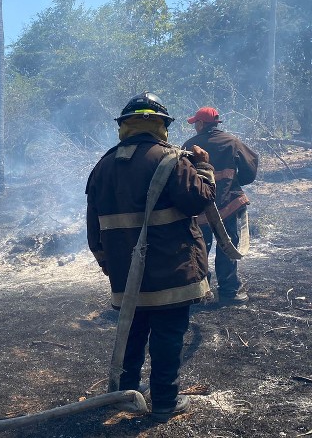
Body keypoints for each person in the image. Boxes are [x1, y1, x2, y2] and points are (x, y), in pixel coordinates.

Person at [86, 92, 216, 422]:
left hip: (126, 276)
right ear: (160, 125)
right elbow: (199, 201)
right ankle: (164, 403)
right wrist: (203, 165)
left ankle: (126, 395)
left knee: (131, 331)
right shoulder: (173, 159)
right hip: (172, 271)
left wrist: (107, 263)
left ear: (125, 126)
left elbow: (93, 227)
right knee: (168, 336)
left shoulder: (103, 166)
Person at [182, 107, 258, 304]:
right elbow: (251, 168)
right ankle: (229, 291)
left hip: (200, 209)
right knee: (228, 247)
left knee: (200, 249)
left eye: (195, 124)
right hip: (228, 206)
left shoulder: (190, 145)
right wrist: (234, 183)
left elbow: (182, 178)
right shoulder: (232, 142)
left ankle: (201, 292)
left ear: (200, 124)